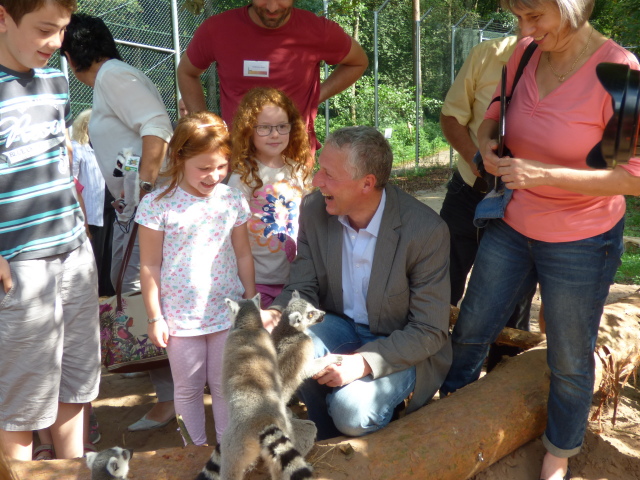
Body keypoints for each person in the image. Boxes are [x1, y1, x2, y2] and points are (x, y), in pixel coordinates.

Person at [440, 1, 640, 479]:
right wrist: (488, 140)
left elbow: (630, 175)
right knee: (471, 328)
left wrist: (543, 174)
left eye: (536, 17)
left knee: (569, 357)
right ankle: (448, 415)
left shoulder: (622, 71)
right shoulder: (525, 53)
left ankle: (559, 454)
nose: (524, 30)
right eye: (519, 17)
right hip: (512, 223)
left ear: (576, 8)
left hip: (581, 239)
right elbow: (496, 109)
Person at [264, 126, 452, 441]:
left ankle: (371, 442)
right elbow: (302, 288)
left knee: (351, 411)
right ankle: (323, 437)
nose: (315, 181)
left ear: (367, 183)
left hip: (400, 344)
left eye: (328, 174)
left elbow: (430, 331)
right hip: (340, 328)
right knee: (283, 345)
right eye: (318, 169)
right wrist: (275, 314)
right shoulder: (313, 209)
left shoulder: (425, 230)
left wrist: (363, 363)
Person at [60, 13, 176, 432]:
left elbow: (157, 127)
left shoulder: (113, 77)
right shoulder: (117, 76)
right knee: (137, 290)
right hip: (134, 207)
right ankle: (173, 393)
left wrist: (142, 191)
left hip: (146, 208)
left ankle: (170, 398)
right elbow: (134, 141)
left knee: (140, 293)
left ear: (70, 55)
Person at [0, 0, 100, 461]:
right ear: (3, 17)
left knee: (76, 381)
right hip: (19, 265)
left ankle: (71, 470)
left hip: (73, 253)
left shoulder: (56, 79)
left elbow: (58, 158)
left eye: (62, 30)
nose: (57, 43)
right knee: (21, 401)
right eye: (45, 29)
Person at [136, 112, 256, 445]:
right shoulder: (157, 205)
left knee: (223, 386)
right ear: (179, 158)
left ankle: (226, 451)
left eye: (221, 166)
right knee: (187, 388)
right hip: (180, 319)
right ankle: (195, 452)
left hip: (225, 312)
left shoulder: (231, 199)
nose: (214, 175)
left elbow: (243, 253)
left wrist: (250, 299)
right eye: (204, 168)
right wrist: (155, 316)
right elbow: (149, 266)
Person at [439, 35, 536, 370]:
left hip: (525, 205)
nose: (530, 25)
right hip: (468, 192)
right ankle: (427, 375)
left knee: (513, 302)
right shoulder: (487, 54)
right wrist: (479, 164)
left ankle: (501, 387)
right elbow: (451, 117)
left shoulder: (577, 65)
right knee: (439, 287)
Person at [177, 0, 368, 154]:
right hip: (237, 157)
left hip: (293, 156)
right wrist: (206, 126)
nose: (272, 7)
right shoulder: (217, 29)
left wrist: (315, 97)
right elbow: (186, 72)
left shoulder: (317, 30)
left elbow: (358, 62)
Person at [228, 87, 312, 308]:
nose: (275, 134)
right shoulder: (243, 176)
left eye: (282, 126)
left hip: (295, 279)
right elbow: (231, 233)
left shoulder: (299, 171)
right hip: (257, 281)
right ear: (248, 131)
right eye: (264, 127)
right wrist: (248, 288)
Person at [71, 109, 109, 293]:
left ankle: (107, 293)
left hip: (110, 209)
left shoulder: (105, 147)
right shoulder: (77, 147)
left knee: (107, 254)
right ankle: (93, 293)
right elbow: (73, 181)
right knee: (92, 254)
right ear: (86, 126)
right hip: (90, 212)